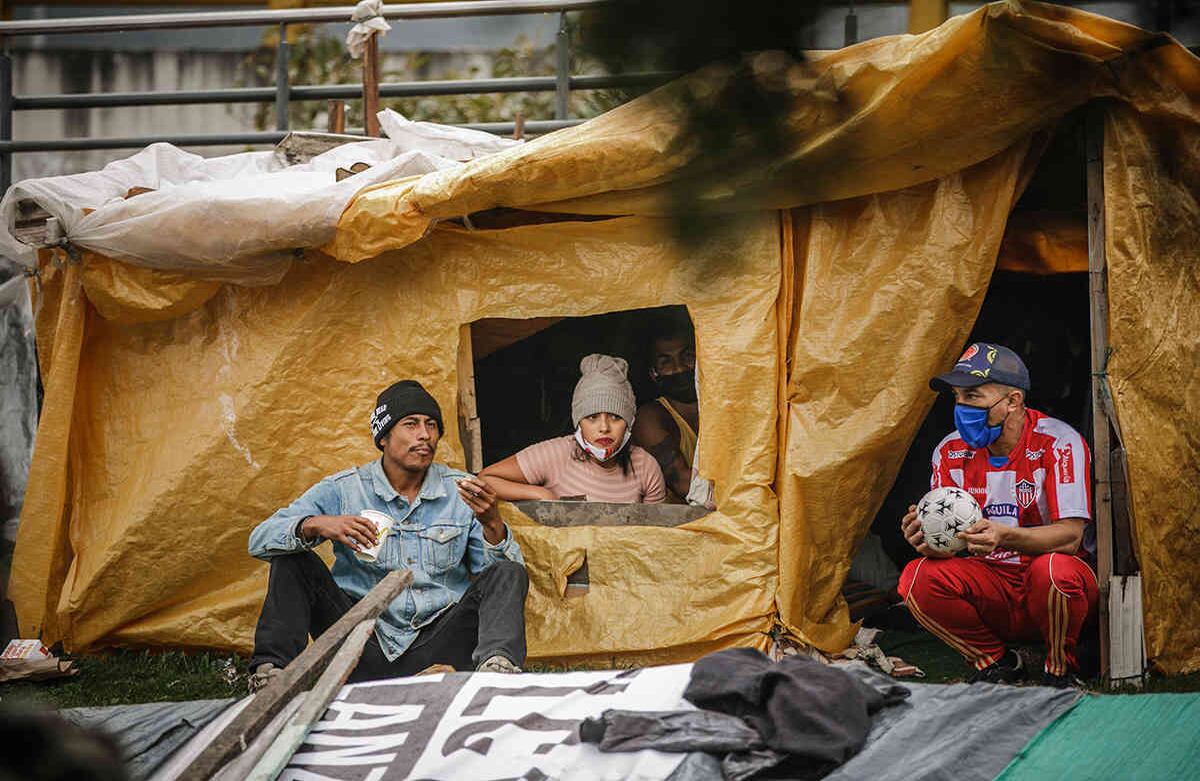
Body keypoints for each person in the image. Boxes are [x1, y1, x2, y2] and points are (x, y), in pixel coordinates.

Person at [247, 380, 527, 689]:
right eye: (411, 424)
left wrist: (492, 525)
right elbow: (260, 540)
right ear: (384, 437)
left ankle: (497, 678)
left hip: (436, 645)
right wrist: (317, 524)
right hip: (358, 644)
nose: (425, 434)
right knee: (292, 560)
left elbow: (501, 578)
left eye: (431, 425)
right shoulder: (344, 488)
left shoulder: (462, 489)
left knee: (508, 571)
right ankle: (271, 679)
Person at [898, 343, 1097, 687]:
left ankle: (1061, 669)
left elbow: (1070, 537)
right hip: (991, 585)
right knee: (917, 578)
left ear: (1013, 402)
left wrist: (1004, 536)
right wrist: (926, 540)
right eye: (957, 397)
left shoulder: (1060, 442)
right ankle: (997, 662)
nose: (961, 407)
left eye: (973, 396)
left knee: (1054, 569)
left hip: (1052, 586)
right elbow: (949, 549)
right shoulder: (949, 450)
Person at [480, 354, 666, 504]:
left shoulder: (646, 467)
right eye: (592, 417)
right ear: (578, 422)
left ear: (629, 422)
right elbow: (486, 479)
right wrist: (541, 494)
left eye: (615, 417)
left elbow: (655, 537)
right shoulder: (557, 453)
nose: (604, 428)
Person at [631, 315, 699, 502]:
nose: (678, 369)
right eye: (666, 362)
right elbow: (684, 484)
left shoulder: (726, 406)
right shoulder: (651, 418)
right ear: (653, 373)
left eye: (688, 357)